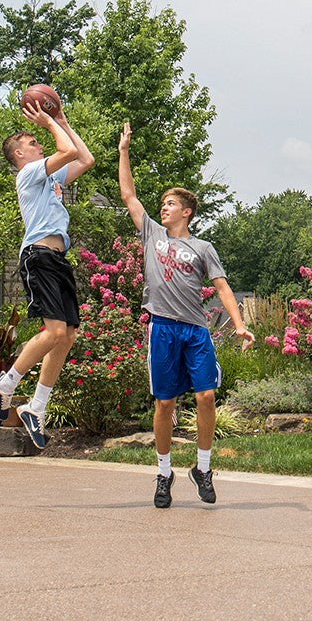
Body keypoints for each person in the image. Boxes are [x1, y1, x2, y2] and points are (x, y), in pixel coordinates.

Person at [118, 121, 254, 508]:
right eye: (161, 203)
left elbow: (223, 288)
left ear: (187, 211)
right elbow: (128, 194)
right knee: (165, 404)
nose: (163, 208)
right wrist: (124, 150)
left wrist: (241, 326)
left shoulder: (203, 247)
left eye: (170, 204)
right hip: (162, 329)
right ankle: (164, 475)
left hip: (195, 331)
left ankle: (203, 467)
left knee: (207, 396)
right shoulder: (151, 235)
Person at [0, 95, 94, 447]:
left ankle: (37, 406)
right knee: (53, 332)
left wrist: (61, 119)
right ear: (20, 154)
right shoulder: (29, 174)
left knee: (68, 335)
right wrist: (48, 122)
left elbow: (85, 158)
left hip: (57, 259)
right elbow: (64, 152)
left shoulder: (50, 180)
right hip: (38, 257)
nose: (38, 144)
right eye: (32, 143)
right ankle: (6, 383)